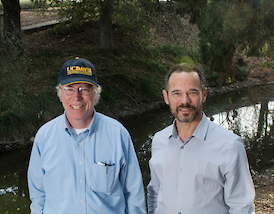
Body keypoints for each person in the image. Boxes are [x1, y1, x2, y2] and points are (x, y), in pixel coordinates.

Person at [28, 57, 146, 214]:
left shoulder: (118, 134)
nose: (76, 97)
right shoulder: (44, 137)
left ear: (95, 95)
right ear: (60, 94)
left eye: (84, 89)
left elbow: (134, 197)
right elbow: (38, 196)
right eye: (69, 89)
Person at [147, 63, 255, 214]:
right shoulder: (159, 141)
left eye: (192, 92)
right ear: (166, 97)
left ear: (204, 95)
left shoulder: (230, 145)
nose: (184, 101)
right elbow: (155, 192)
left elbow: (241, 207)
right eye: (176, 93)